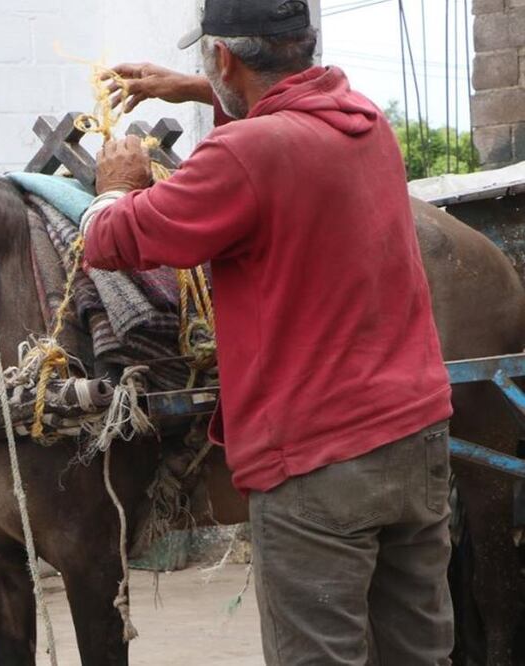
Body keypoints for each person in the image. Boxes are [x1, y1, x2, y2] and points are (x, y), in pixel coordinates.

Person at [82, 0, 454, 663]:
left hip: (317, 460)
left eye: (209, 62)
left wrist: (114, 185)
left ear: (226, 57)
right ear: (301, 44)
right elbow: (283, 126)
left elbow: (115, 240)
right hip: (415, 438)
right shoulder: (367, 124)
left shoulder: (244, 155)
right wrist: (191, 86)